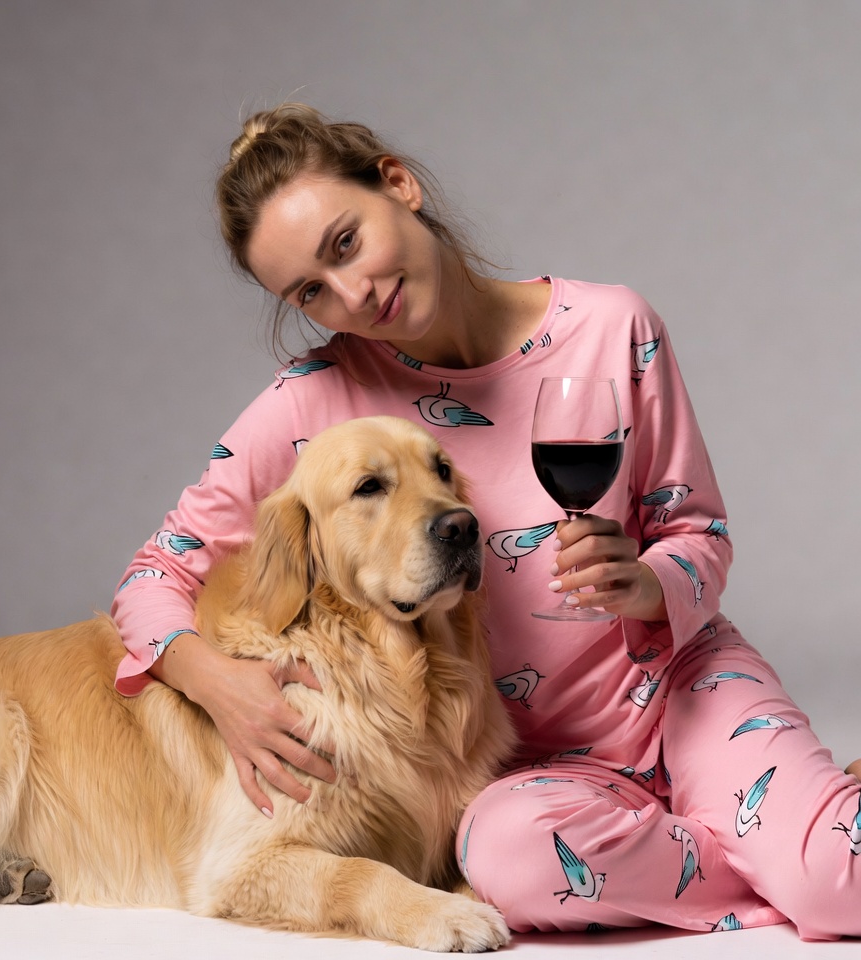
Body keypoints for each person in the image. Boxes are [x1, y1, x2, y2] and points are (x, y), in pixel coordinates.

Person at [111, 103, 861, 940]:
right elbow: (154, 578)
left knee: (837, 887)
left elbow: (701, 534)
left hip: (685, 689)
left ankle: (809, 863)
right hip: (533, 771)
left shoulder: (612, 328)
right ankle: (796, 856)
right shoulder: (313, 404)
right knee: (511, 868)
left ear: (400, 184)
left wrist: (646, 579)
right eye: (312, 290)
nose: (352, 294)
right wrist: (217, 685)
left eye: (347, 243)